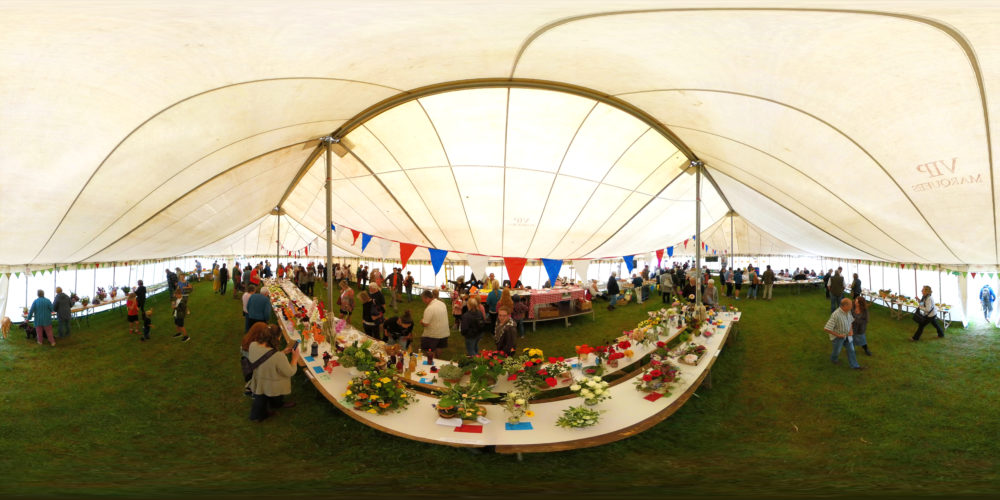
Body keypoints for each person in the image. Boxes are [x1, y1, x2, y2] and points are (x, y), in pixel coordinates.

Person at [246, 324, 299, 422]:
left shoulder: (252, 345)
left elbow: (266, 359)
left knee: (261, 398)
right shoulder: (278, 356)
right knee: (262, 399)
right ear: (277, 338)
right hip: (272, 383)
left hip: (259, 377)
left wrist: (282, 352)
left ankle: (270, 406)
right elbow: (290, 372)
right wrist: (294, 359)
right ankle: (263, 412)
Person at [824, 298, 862, 370]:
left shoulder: (848, 311)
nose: (852, 307)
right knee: (837, 351)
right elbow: (827, 328)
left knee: (851, 350)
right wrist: (838, 335)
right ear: (844, 306)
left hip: (847, 335)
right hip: (838, 337)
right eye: (851, 305)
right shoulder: (835, 315)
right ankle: (834, 359)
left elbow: (850, 321)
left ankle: (855, 366)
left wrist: (851, 330)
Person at [419, 289, 449, 355]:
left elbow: (425, 323)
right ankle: (438, 359)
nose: (423, 301)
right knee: (439, 347)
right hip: (444, 332)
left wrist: (421, 322)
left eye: (423, 299)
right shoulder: (442, 303)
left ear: (426, 298)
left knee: (430, 351)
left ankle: (431, 362)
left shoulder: (429, 308)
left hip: (433, 335)